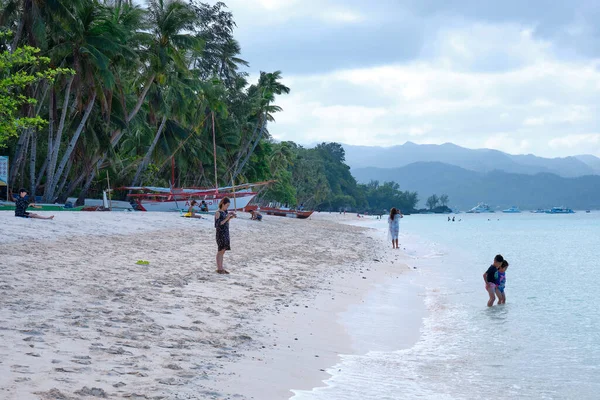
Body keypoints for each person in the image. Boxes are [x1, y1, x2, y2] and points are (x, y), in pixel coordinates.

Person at [214, 197, 236, 274]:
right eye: (227, 205)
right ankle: (219, 268)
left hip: (226, 233)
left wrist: (230, 217)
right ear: (222, 204)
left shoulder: (224, 212)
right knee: (220, 250)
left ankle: (221, 268)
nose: (227, 207)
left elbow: (225, 222)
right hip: (220, 234)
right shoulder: (218, 212)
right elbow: (218, 224)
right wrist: (227, 218)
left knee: (223, 251)